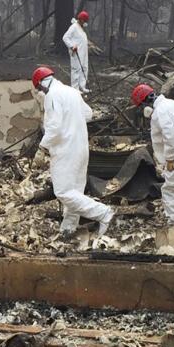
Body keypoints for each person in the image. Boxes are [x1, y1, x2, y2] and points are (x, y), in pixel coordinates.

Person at [33, 66, 115, 240]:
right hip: (81, 148)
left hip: (65, 150)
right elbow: (89, 114)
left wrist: (42, 148)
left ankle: (103, 213)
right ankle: (68, 229)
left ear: (41, 84)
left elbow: (54, 127)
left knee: (63, 191)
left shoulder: (52, 95)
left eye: (39, 89)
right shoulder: (72, 91)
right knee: (74, 192)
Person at [131, 83, 174, 225]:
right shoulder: (172, 104)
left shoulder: (160, 112)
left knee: (171, 191)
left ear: (146, 103)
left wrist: (169, 158)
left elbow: (170, 136)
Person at [62, 10, 91, 92]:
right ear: (81, 19)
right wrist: (71, 46)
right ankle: (75, 89)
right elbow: (65, 37)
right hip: (76, 52)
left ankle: (82, 86)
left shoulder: (81, 28)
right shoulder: (74, 27)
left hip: (84, 53)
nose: (85, 23)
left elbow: (80, 39)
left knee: (84, 68)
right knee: (76, 70)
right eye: (84, 21)